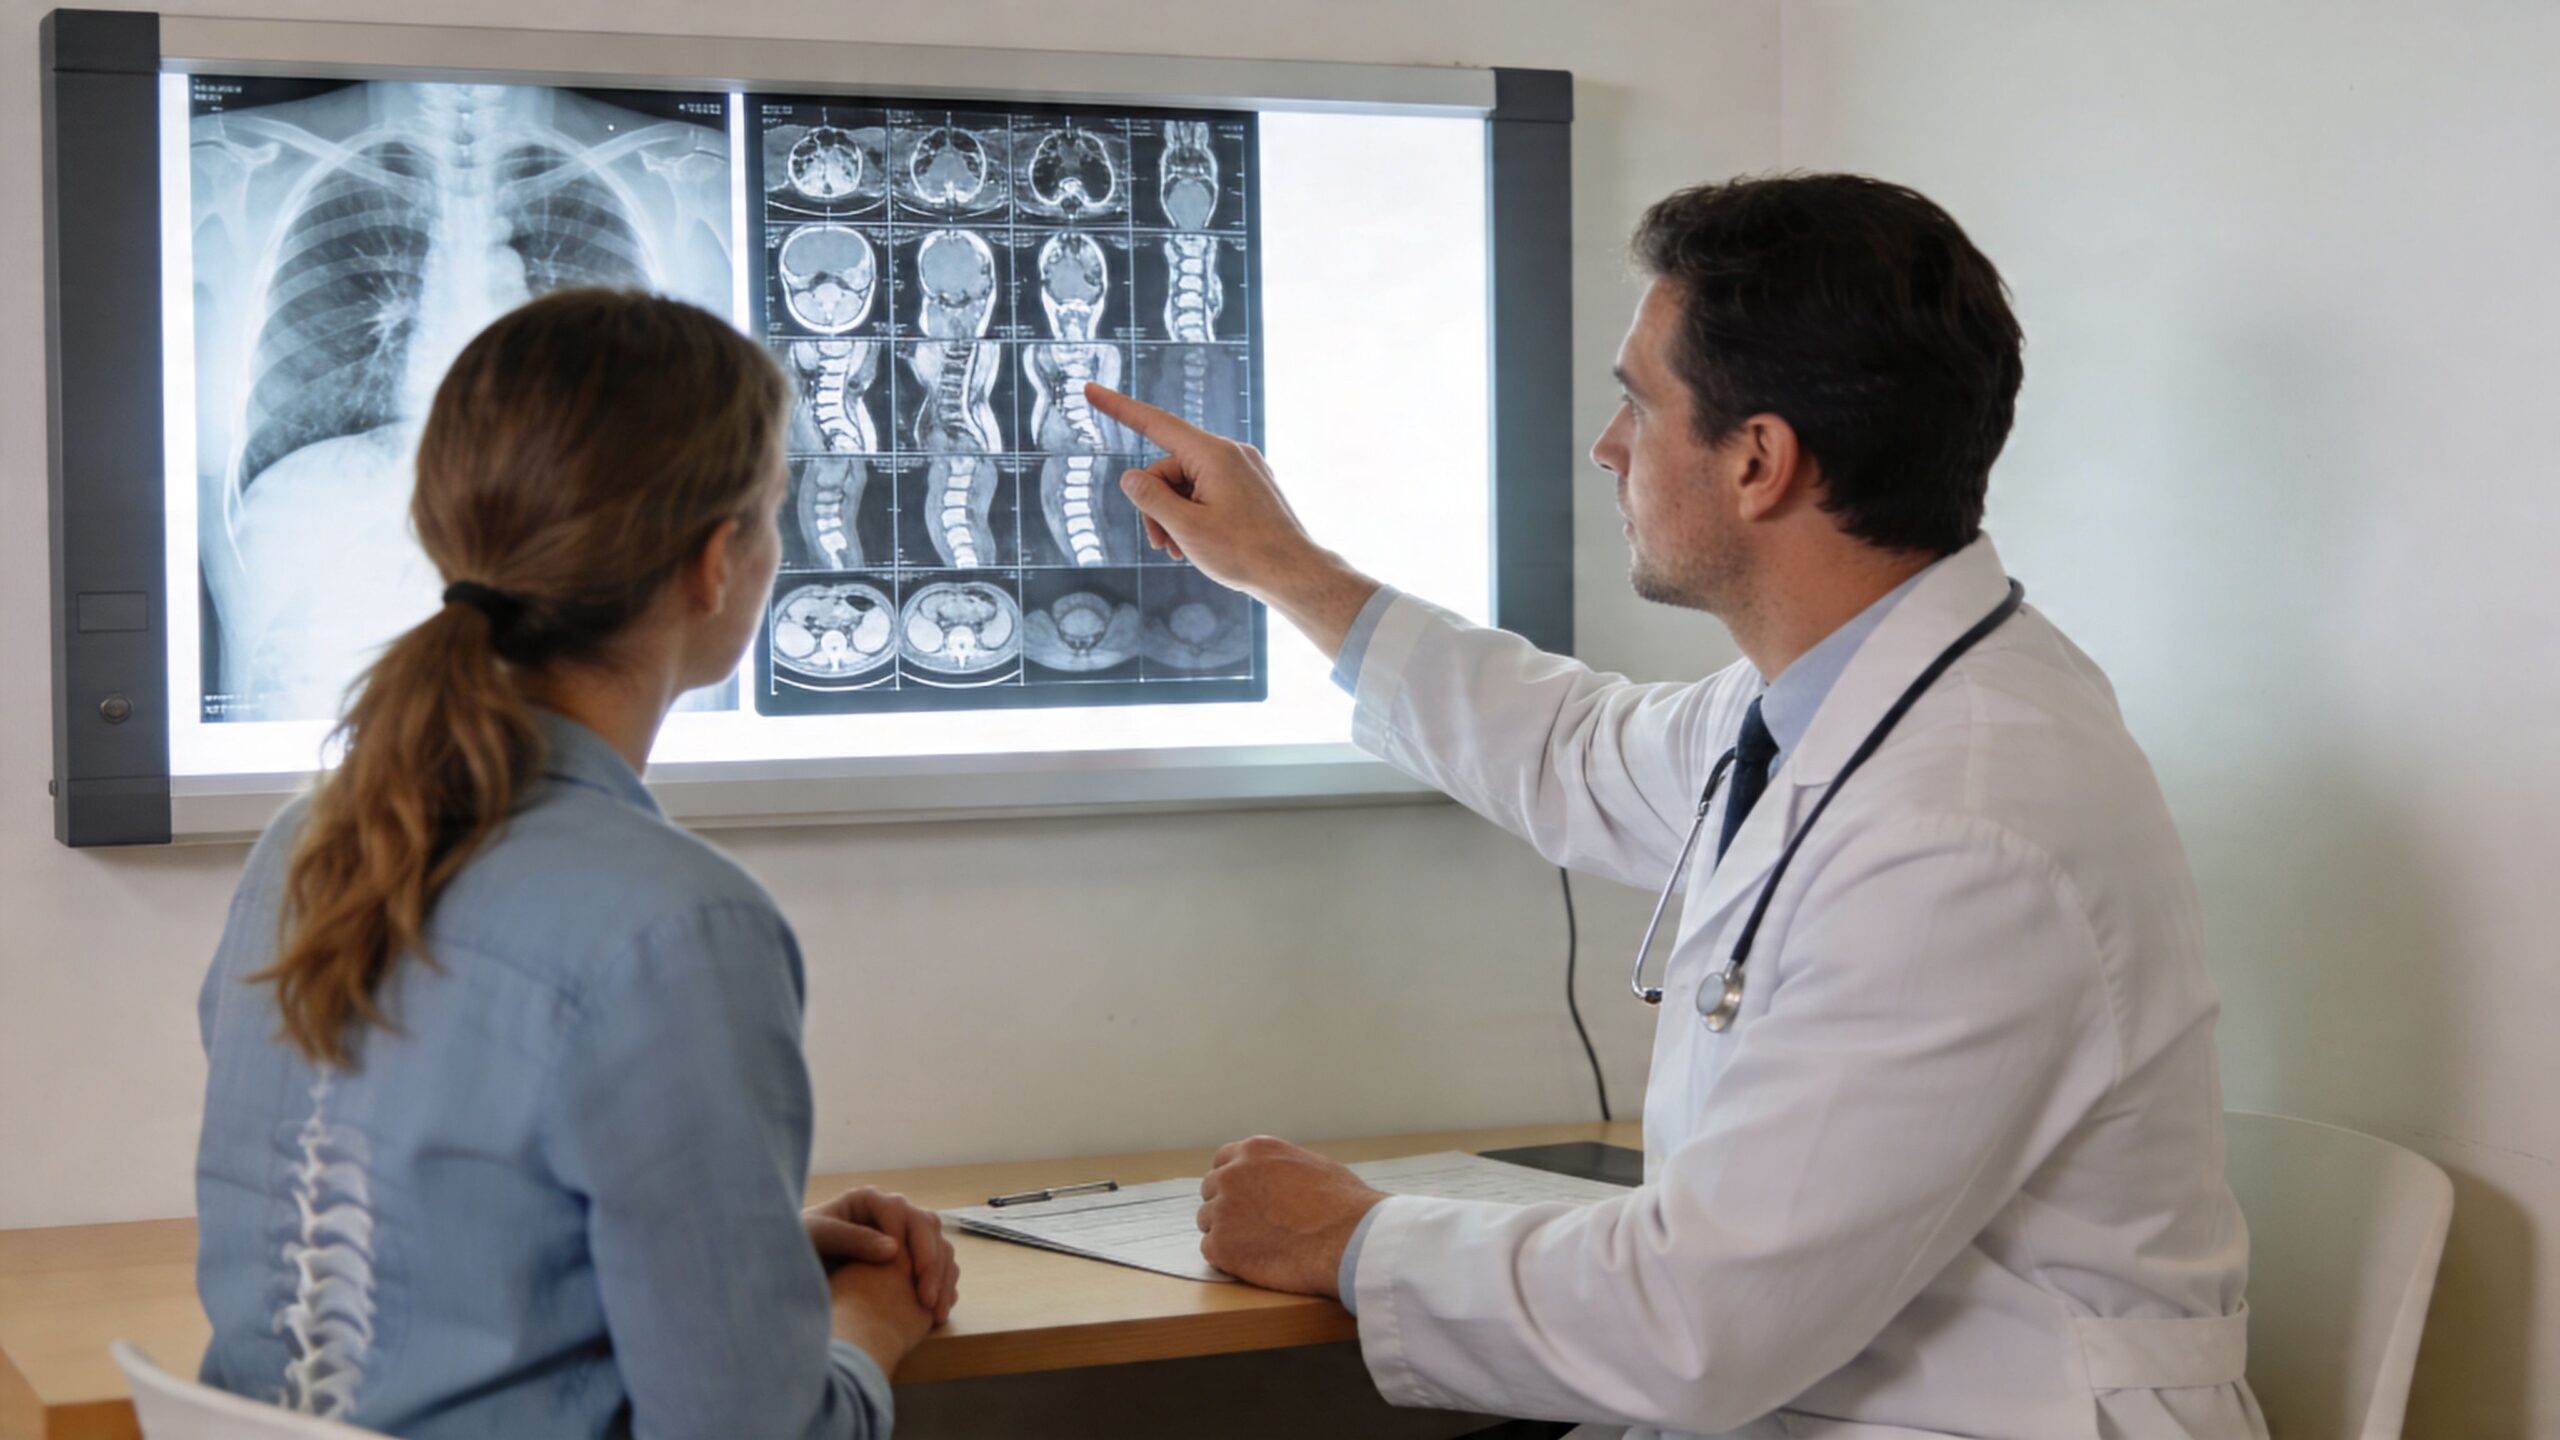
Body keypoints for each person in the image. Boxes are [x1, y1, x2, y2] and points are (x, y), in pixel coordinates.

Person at [1086, 174, 2267, 1440]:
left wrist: (1356, 1240)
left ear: (1759, 461)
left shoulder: (1957, 825)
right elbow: (1576, 748)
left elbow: (1690, 1328)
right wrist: (1285, 569)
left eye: (1636, 404)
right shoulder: (1855, 700)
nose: (1606, 446)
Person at [194, 290, 956, 1438]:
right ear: (715, 563)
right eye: (775, 512)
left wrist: (736, 1263)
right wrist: (867, 1327)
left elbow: (417, 1267)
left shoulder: (306, 847)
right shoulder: (672, 926)